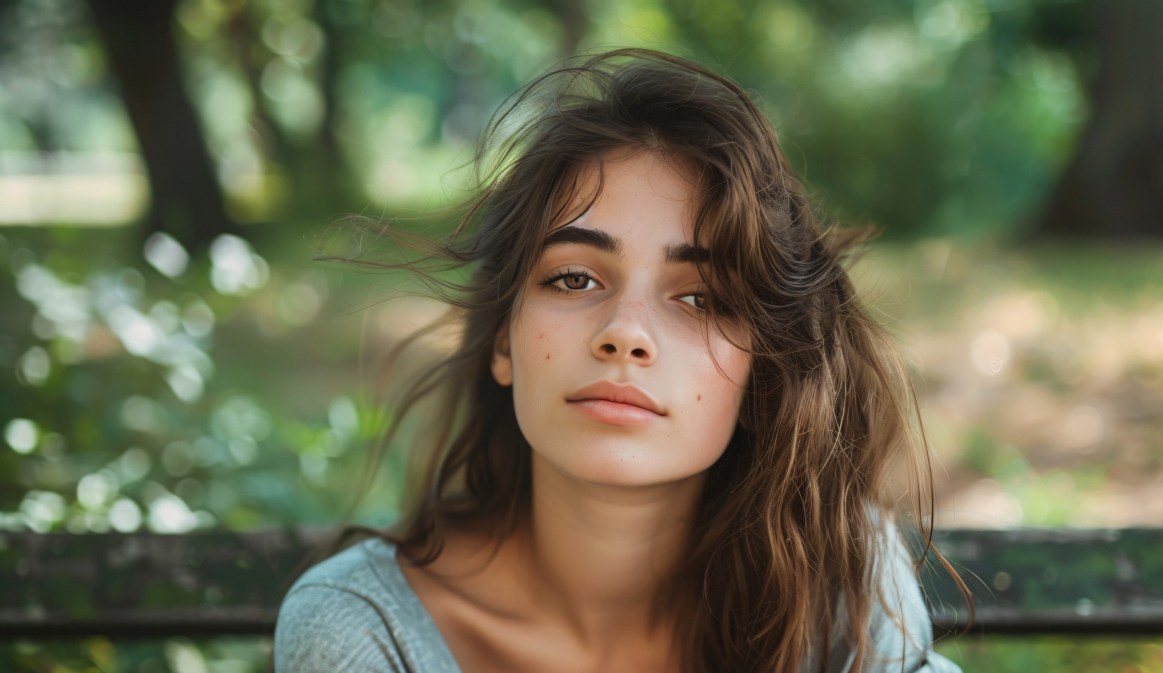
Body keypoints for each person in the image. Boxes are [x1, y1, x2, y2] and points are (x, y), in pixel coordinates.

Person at [274, 48, 966, 673]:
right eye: (574, 278)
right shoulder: (362, 630)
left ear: (765, 372)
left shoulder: (842, 584)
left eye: (699, 297)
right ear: (504, 341)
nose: (625, 334)